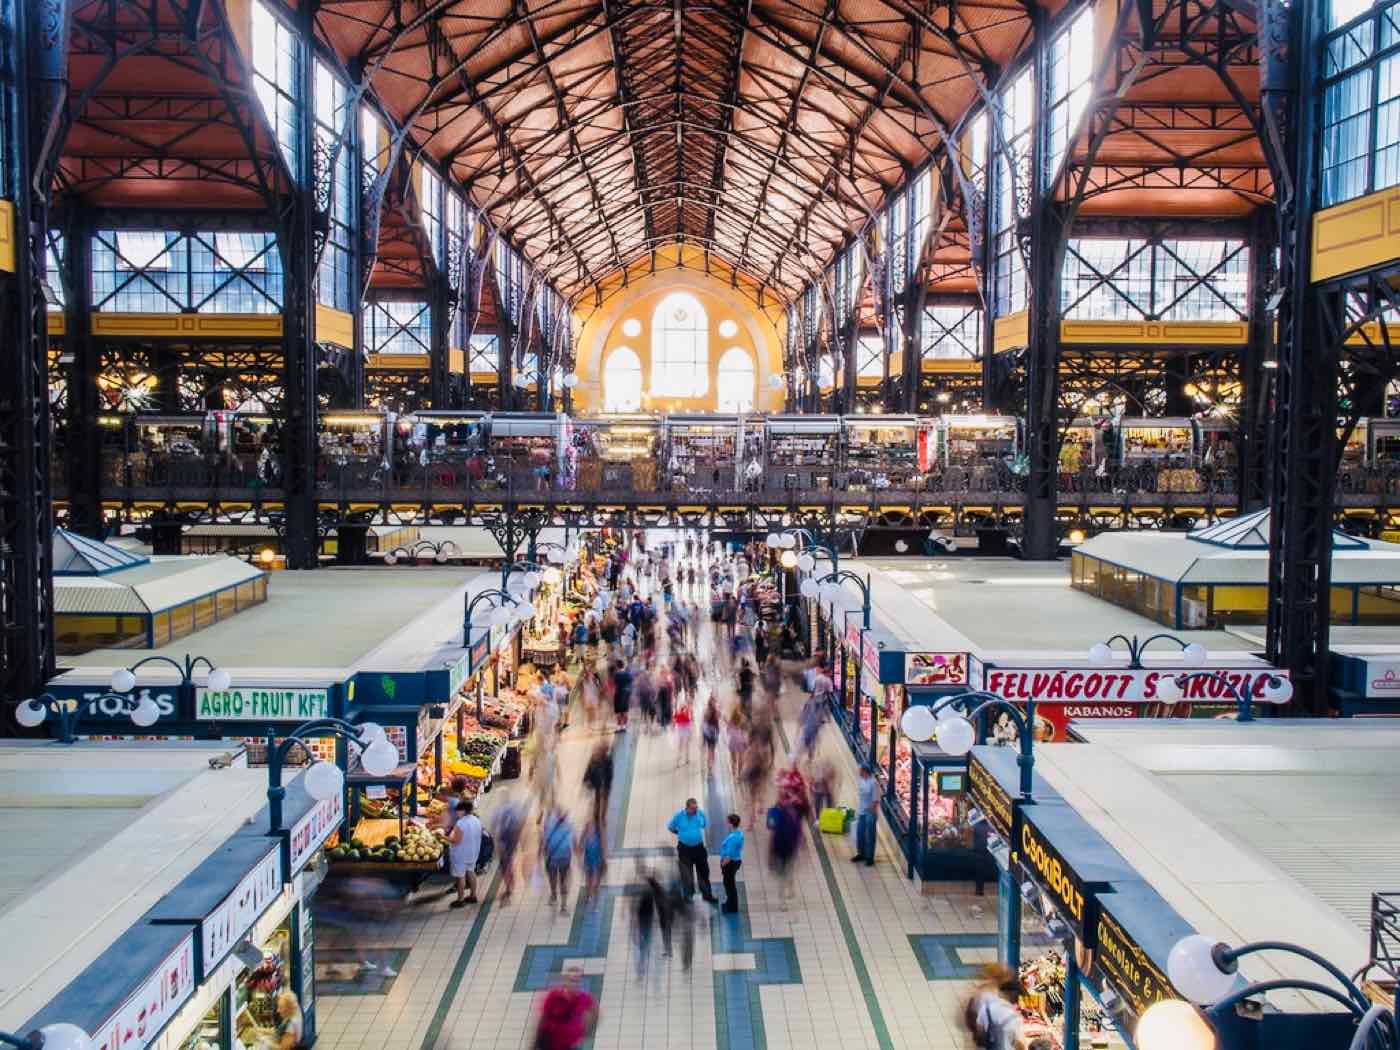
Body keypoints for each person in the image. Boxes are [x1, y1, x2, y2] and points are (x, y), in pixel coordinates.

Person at [666, 797, 718, 903]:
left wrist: (699, 818)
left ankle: (707, 894)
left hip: (699, 848)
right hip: (684, 850)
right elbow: (670, 827)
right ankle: (688, 896)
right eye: (693, 809)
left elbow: (704, 824)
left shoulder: (699, 814)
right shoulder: (679, 816)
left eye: (696, 808)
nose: (695, 810)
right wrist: (680, 834)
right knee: (686, 875)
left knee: (703, 873)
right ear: (687, 808)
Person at [964, 964, 1028, 1050]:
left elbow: (979, 1030)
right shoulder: (1014, 1016)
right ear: (1012, 995)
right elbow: (1019, 1043)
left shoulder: (988, 1007)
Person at [532, 967, 598, 1050]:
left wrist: (586, 1031)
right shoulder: (554, 996)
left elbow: (595, 1012)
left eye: (577, 981)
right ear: (565, 982)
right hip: (551, 1044)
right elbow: (543, 1019)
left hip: (569, 1045)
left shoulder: (584, 998)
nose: (574, 984)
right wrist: (534, 1043)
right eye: (571, 981)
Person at [448, 799, 484, 908]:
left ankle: (460, 899)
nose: (457, 813)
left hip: (461, 855)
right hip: (473, 852)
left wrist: (443, 837)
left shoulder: (461, 823)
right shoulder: (476, 820)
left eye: (458, 811)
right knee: (471, 873)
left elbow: (456, 841)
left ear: (463, 811)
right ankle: (473, 896)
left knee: (460, 877)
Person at [541, 806, 576, 913]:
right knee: (556, 880)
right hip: (558, 858)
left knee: (561, 881)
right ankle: (555, 897)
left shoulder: (567, 826)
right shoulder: (553, 826)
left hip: (560, 859)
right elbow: (544, 842)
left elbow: (545, 843)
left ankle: (560, 902)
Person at [493, 797, 526, 904]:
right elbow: (520, 823)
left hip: (504, 842)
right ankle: (511, 881)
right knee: (508, 862)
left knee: (505, 864)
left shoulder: (498, 812)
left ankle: (509, 885)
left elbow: (495, 828)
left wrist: (497, 843)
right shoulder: (514, 810)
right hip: (511, 841)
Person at [853, 764, 878, 866]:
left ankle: (870, 857)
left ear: (865, 771)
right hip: (862, 811)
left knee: (870, 835)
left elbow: (875, 800)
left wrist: (870, 810)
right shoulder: (861, 780)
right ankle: (861, 853)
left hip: (870, 812)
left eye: (860, 770)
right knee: (860, 833)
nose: (859, 772)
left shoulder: (873, 783)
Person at [718, 813, 744, 914]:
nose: (726, 823)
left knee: (729, 885)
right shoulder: (738, 833)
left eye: (727, 822)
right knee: (729, 884)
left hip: (730, 863)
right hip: (734, 861)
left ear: (731, 824)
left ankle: (732, 907)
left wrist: (723, 864)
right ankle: (731, 903)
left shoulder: (733, 837)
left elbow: (729, 854)